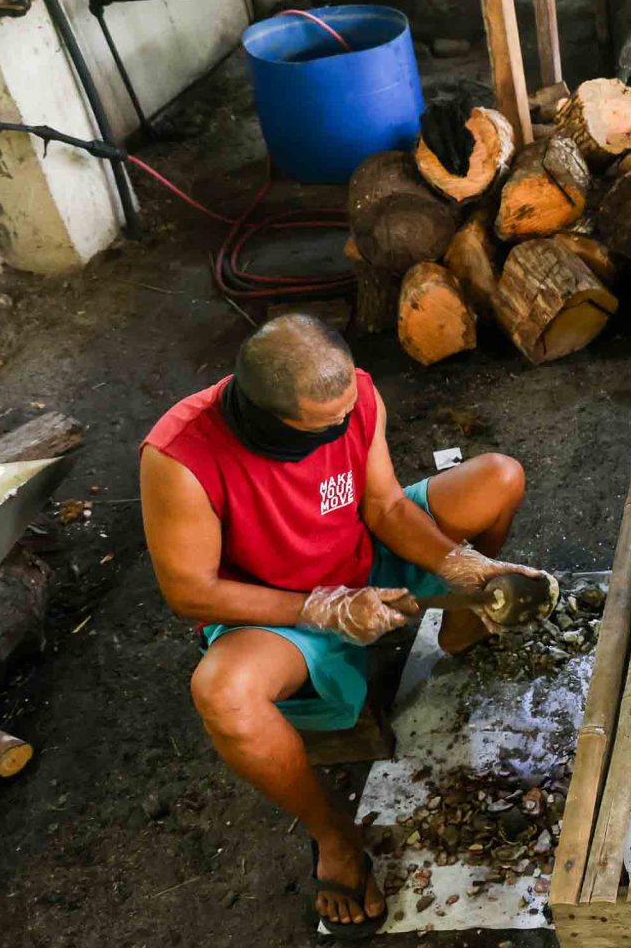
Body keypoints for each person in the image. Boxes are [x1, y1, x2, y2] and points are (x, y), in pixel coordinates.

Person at [140, 314, 545, 938]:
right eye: (323, 427)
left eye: (347, 414)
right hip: (279, 603)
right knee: (223, 693)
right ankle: (334, 837)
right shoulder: (180, 456)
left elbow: (382, 504)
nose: (342, 429)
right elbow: (189, 592)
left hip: (362, 549)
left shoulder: (352, 395)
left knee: (500, 476)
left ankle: (464, 626)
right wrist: (318, 607)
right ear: (267, 418)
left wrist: (458, 565)